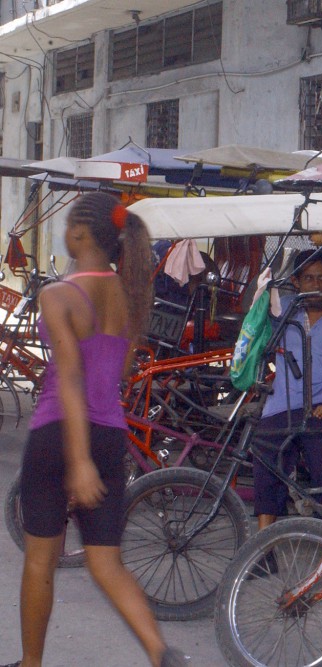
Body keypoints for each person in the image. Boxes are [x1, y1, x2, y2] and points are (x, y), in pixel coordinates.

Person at [5, 192, 184, 666]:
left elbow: (70, 379)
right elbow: (117, 373)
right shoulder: (129, 298)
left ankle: (31, 664)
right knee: (106, 559)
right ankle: (160, 652)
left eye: (66, 226)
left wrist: (77, 460)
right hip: (109, 434)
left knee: (41, 559)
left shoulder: (58, 294)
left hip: (60, 435)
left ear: (80, 234)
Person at [253, 249, 322, 532]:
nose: (316, 285)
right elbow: (255, 332)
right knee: (265, 454)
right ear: (296, 282)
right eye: (308, 279)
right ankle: (263, 543)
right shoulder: (284, 310)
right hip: (283, 402)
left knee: (321, 456)